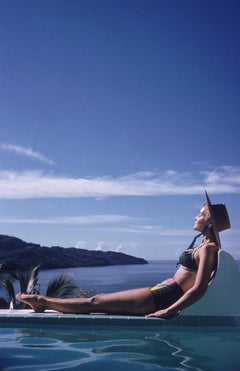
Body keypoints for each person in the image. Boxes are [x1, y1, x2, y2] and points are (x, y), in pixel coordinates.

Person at [16, 192, 230, 319]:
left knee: (95, 301)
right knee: (97, 301)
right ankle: (43, 302)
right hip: (162, 290)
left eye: (200, 214)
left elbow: (198, 289)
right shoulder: (202, 245)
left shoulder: (208, 249)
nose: (195, 216)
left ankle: (42, 301)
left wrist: (169, 311)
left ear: (210, 222)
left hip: (165, 296)